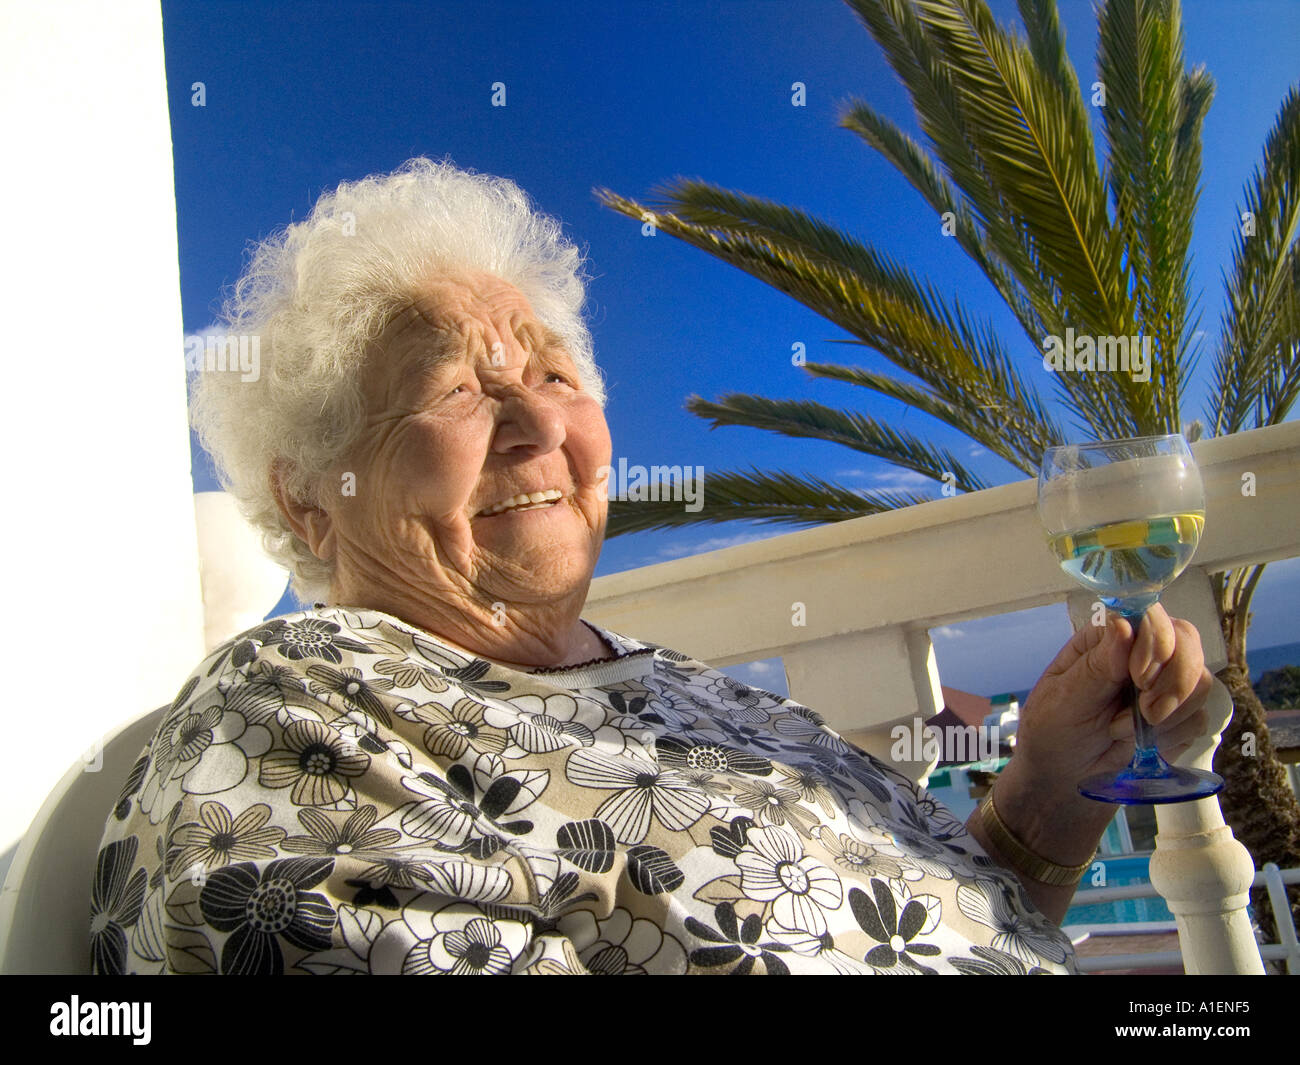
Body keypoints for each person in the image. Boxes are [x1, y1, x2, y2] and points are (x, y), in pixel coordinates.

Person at [92, 158, 1212, 975]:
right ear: (308, 496)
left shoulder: (679, 687)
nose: (538, 425)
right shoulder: (302, 716)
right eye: (458, 389)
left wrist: (1050, 791)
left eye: (559, 376)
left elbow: (949, 925)